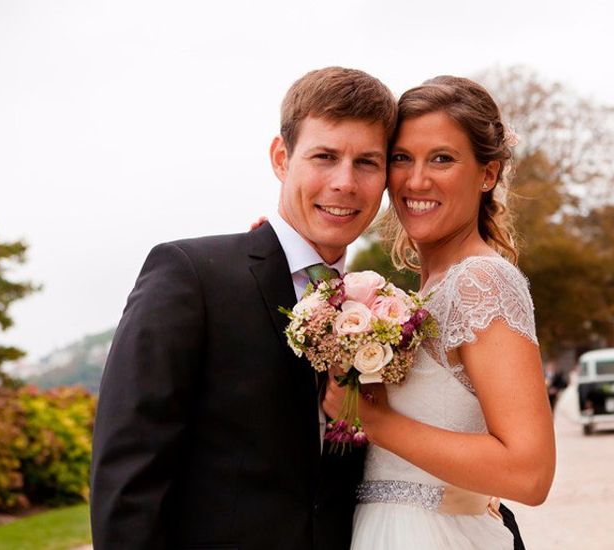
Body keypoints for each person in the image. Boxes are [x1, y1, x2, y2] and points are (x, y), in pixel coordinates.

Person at [89, 67, 398, 550]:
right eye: (325, 156)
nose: (345, 182)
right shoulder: (191, 274)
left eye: (367, 163)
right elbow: (128, 472)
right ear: (282, 158)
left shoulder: (384, 309)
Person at [323, 76, 556, 550]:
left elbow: (530, 473)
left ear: (487, 174)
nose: (416, 180)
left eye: (442, 159)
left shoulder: (481, 282)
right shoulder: (424, 292)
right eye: (401, 158)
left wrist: (379, 424)